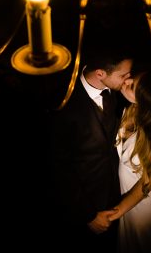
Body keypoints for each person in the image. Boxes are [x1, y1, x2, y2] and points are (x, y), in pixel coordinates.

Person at [47, 49, 134, 252]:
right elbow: (59, 168)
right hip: (82, 209)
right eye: (123, 75)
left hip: (116, 198)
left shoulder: (117, 90)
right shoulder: (62, 102)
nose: (128, 79)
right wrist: (87, 215)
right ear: (100, 73)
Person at [107, 70, 151, 253]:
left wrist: (117, 211)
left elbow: (148, 182)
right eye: (133, 78)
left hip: (145, 204)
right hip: (126, 197)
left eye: (132, 86)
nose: (126, 81)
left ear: (146, 103)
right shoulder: (129, 110)